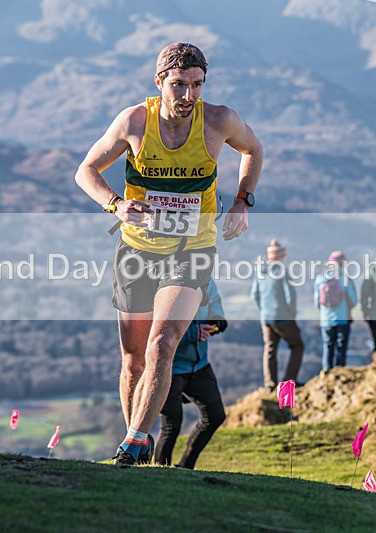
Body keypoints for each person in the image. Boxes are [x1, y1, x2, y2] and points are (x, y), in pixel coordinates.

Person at [74, 43, 263, 465]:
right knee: (133, 359)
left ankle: (136, 440)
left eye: (196, 85)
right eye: (178, 85)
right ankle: (134, 447)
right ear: (159, 83)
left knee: (163, 344)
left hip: (191, 249)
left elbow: (254, 150)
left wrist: (242, 201)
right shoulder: (134, 121)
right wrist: (117, 205)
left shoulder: (219, 120)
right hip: (137, 250)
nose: (188, 96)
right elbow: (85, 170)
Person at [155, 277, 227, 469]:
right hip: (170, 367)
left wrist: (217, 321)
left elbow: (214, 301)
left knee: (215, 416)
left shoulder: (206, 279)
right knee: (171, 426)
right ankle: (159, 473)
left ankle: (186, 466)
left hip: (199, 364)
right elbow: (156, 327)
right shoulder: (163, 280)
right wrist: (193, 333)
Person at [250, 239, 305, 391]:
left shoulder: (260, 272)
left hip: (265, 317)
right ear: (282, 255)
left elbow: (254, 295)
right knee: (297, 346)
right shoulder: (283, 270)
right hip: (282, 316)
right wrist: (291, 313)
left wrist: (263, 310)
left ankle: (270, 384)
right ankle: (288, 382)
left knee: (270, 349)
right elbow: (290, 295)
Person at [314, 250, 357, 371]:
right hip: (343, 319)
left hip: (326, 320)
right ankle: (339, 373)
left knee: (328, 347)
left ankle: (326, 372)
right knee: (341, 347)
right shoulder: (345, 279)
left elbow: (316, 301)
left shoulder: (320, 279)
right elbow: (353, 301)